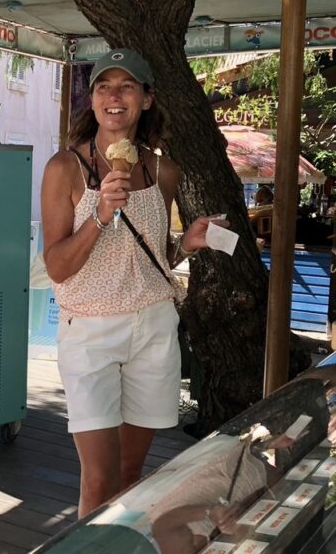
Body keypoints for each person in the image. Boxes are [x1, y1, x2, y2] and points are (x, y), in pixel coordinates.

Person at [40, 48, 226, 517]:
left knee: (128, 478)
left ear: (146, 99)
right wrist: (100, 214)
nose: (114, 96)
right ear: (93, 100)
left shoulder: (163, 171)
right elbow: (58, 266)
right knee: (98, 480)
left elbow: (152, 258)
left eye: (126, 87)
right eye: (104, 86)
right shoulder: (64, 168)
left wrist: (188, 244)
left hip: (152, 327)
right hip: (90, 332)